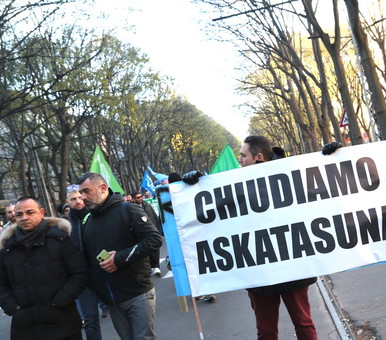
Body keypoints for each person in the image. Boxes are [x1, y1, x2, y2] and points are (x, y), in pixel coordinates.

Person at [183, 135, 319, 339]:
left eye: (243, 156)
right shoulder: (237, 183)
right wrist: (191, 186)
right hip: (259, 271)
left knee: (302, 323)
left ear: (259, 157)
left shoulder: (290, 171)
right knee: (267, 331)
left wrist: (330, 157)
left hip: (290, 267)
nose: (240, 161)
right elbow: (216, 213)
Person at [77, 172, 162, 340]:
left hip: (138, 293)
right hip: (111, 299)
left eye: (87, 191)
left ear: (102, 188)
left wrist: (119, 258)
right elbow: (87, 258)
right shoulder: (87, 220)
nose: (83, 197)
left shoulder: (128, 209)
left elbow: (154, 239)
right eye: (81, 193)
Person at [0, 196, 89, 339]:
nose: (24, 217)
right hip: (25, 328)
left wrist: (61, 300)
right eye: (19, 214)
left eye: (30, 212)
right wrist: (11, 306)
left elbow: (80, 274)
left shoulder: (60, 240)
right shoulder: (8, 248)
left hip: (62, 323)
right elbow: (2, 284)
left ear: (41, 213)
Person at [67, 189, 110, 340]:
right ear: (68, 202)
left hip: (103, 272)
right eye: (73, 199)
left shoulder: (96, 216)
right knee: (91, 320)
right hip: (82, 278)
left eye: (80, 197)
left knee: (119, 311)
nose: (78, 201)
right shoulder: (64, 226)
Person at [132, 192, 163, 277]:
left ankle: (156, 267)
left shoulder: (147, 205)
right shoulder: (131, 209)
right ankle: (151, 266)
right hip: (141, 233)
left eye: (141, 196)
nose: (141, 198)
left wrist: (158, 229)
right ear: (134, 199)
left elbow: (154, 216)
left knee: (156, 248)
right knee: (147, 250)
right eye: (138, 197)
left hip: (152, 230)